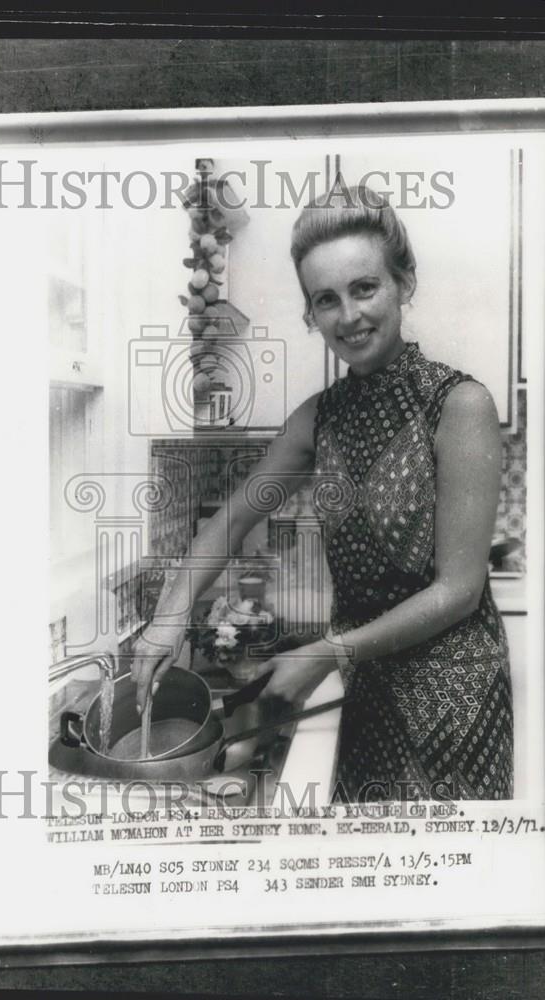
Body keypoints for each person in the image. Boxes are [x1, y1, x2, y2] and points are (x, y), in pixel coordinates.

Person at [131, 185, 514, 802]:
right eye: (326, 300)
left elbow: (457, 592)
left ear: (403, 282)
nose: (349, 316)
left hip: (455, 698)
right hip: (367, 684)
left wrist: (325, 653)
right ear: (311, 315)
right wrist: (166, 620)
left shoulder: (459, 404)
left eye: (365, 288)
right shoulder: (319, 417)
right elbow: (231, 521)